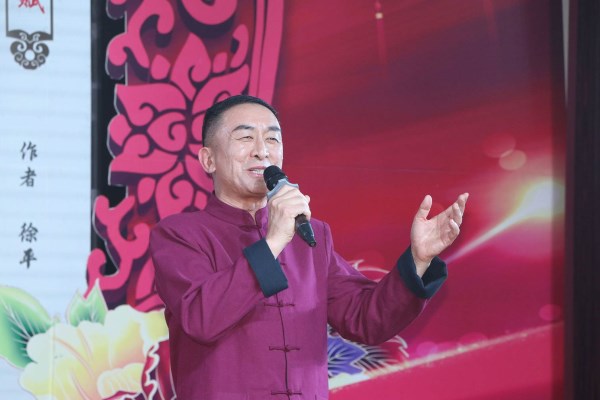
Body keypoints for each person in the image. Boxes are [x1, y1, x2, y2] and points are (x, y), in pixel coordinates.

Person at [150, 95, 469, 399]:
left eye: (272, 139)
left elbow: (365, 318)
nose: (262, 151)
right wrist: (273, 242)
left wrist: (418, 259)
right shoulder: (180, 235)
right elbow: (201, 319)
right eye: (245, 138)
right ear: (208, 160)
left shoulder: (312, 236)